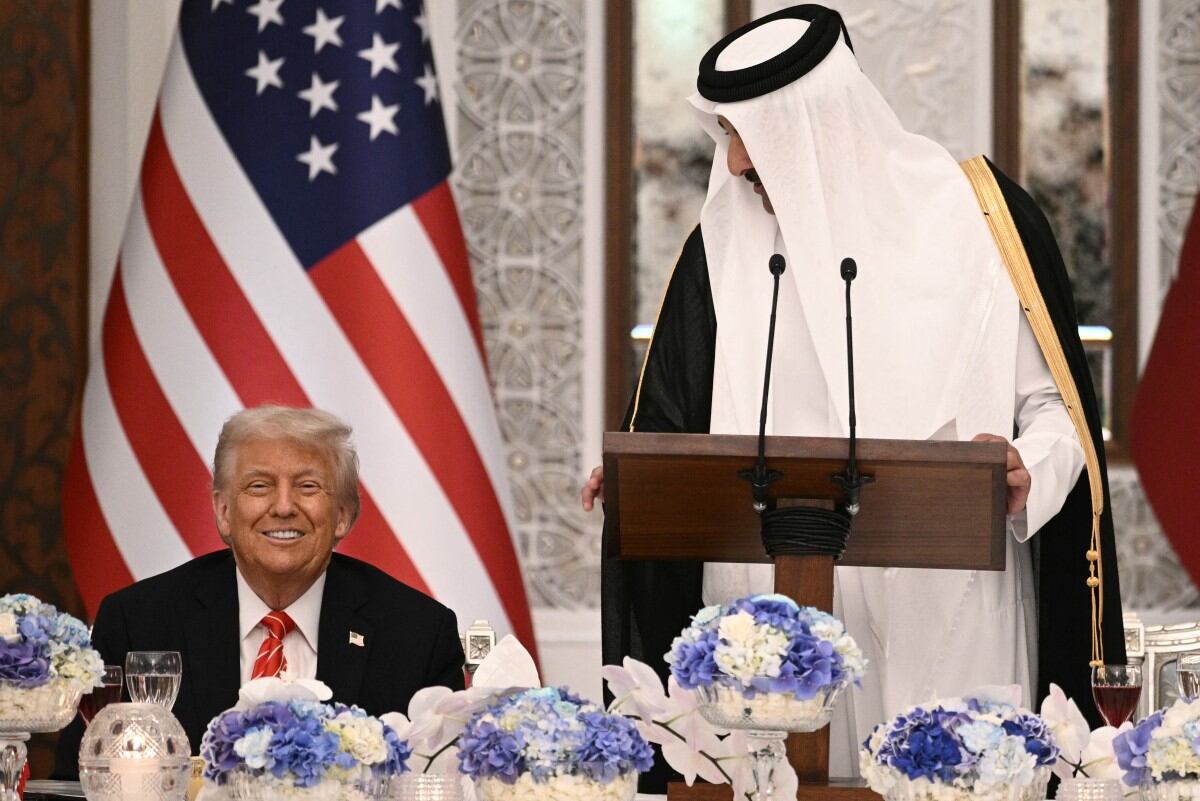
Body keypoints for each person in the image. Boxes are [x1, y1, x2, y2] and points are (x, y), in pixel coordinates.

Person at [587, 5, 1125, 785]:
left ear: (813, 124)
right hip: (764, 631)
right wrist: (643, 480)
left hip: (948, 610)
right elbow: (672, 416)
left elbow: (1059, 414)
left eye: (748, 134)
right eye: (726, 135)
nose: (734, 163)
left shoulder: (979, 218)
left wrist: (1026, 467)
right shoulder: (719, 244)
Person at [55, 405, 464, 775]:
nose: (284, 506)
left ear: (342, 515)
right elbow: (78, 780)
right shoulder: (138, 621)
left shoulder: (417, 633)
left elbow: (444, 786)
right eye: (259, 486)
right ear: (224, 512)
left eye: (307, 486)